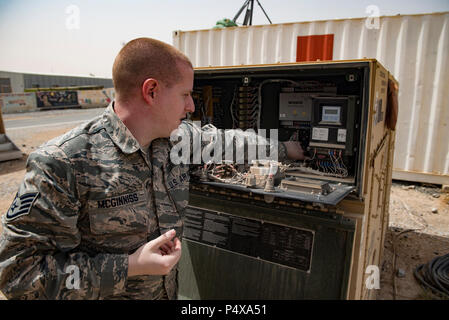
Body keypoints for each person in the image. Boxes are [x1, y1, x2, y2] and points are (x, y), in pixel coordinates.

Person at [0, 38, 305, 300]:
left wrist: (285, 149)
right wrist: (129, 266)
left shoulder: (176, 140)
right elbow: (18, 276)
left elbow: (230, 142)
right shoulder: (63, 162)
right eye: (185, 94)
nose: (191, 107)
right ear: (152, 91)